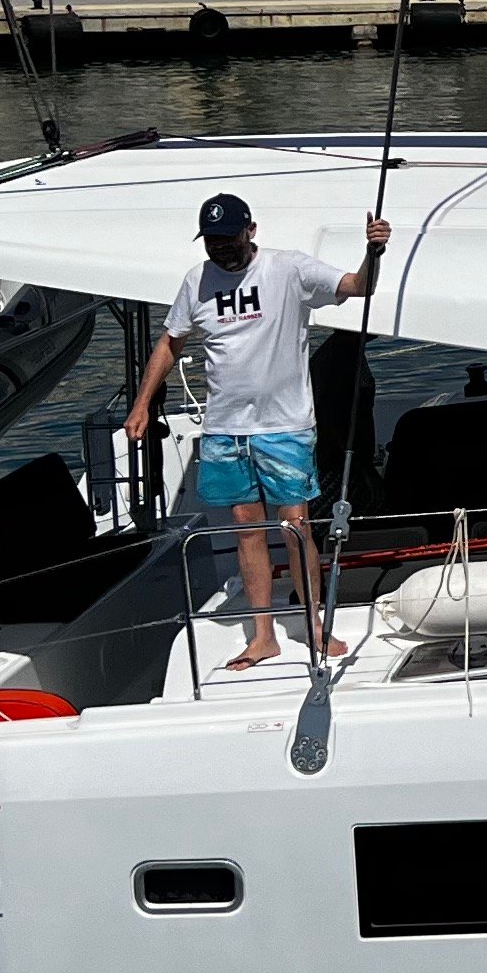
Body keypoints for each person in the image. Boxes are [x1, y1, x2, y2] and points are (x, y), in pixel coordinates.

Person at [123, 189, 392, 670]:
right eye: (211, 240)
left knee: (295, 526)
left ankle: (312, 627)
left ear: (251, 231)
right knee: (248, 529)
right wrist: (142, 404)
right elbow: (171, 341)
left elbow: (357, 286)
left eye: (228, 238)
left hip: (284, 426)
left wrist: (372, 253)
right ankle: (263, 634)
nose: (220, 248)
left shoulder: (288, 270)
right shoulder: (196, 281)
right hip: (226, 429)